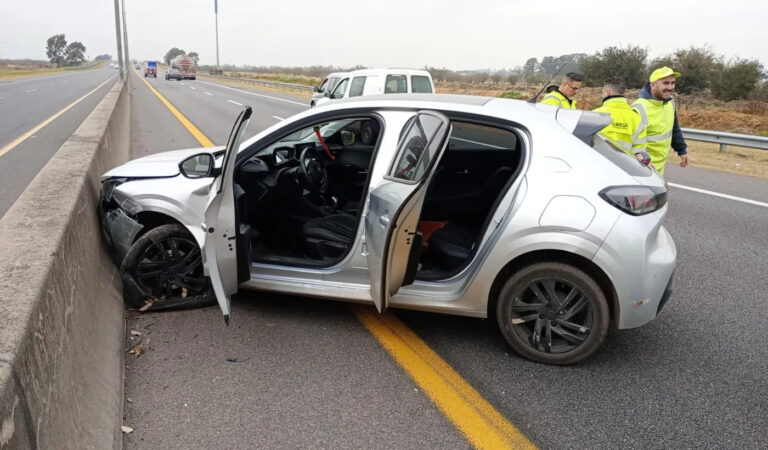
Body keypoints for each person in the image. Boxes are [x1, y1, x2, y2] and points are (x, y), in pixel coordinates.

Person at [632, 67, 689, 175]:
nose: (670, 87)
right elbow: (630, 143)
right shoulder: (638, 108)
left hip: (660, 169)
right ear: (653, 85)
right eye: (666, 83)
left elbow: (674, 128)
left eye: (673, 83)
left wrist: (682, 150)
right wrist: (643, 163)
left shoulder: (670, 103)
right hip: (642, 170)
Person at [593, 77, 646, 155]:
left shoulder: (594, 115)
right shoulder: (636, 118)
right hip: (623, 165)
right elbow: (639, 153)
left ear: (607, 92)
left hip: (599, 164)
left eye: (603, 92)